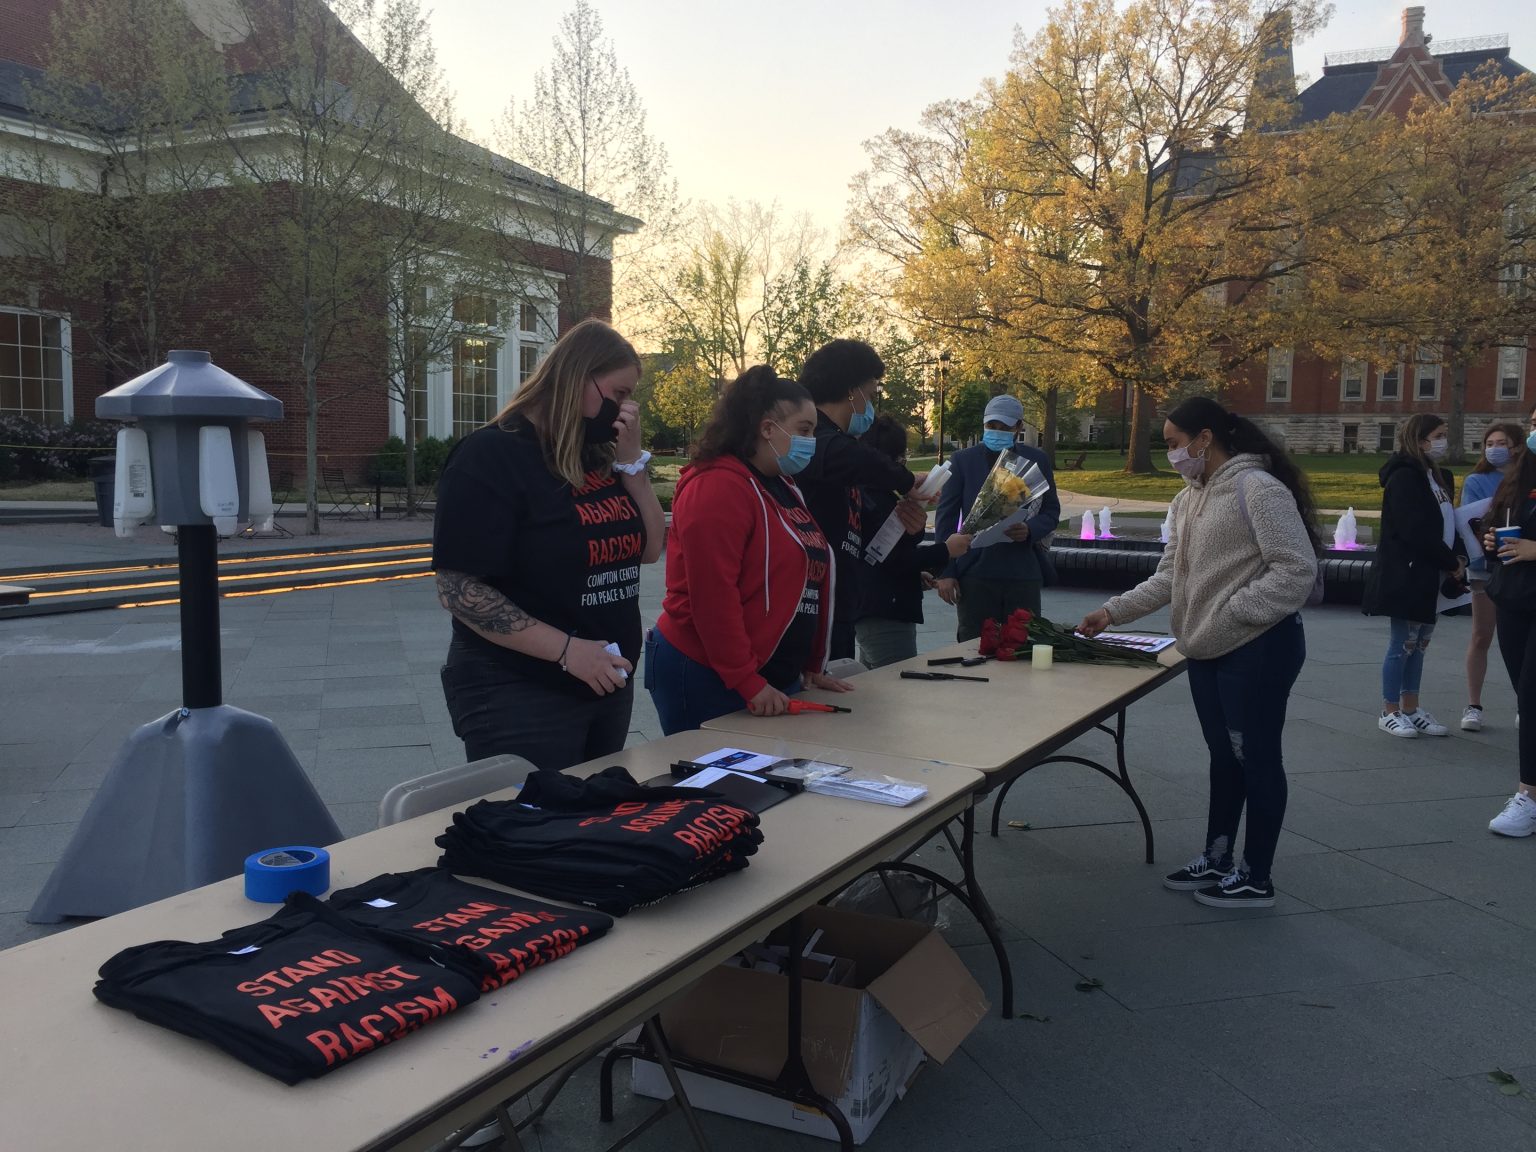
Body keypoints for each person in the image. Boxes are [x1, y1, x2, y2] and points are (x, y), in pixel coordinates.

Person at [1079, 397, 1318, 908]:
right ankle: (1218, 855)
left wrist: (1233, 611)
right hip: (1207, 649)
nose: (1171, 454)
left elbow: (1296, 569)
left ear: (1204, 438)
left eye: (1172, 444)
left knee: (1256, 759)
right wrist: (1113, 611)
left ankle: (1257, 877)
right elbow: (1170, 575)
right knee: (1224, 759)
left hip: (1258, 648)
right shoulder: (1188, 498)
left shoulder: (1258, 488)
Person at [431, 319, 665, 771]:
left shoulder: (594, 456)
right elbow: (458, 588)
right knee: (538, 828)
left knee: (596, 823)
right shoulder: (491, 455)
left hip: (605, 682)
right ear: (579, 374)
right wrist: (567, 650)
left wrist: (632, 465)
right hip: (519, 690)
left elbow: (651, 548)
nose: (624, 410)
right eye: (617, 394)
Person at [647, 366, 853, 734]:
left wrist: (809, 663)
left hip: (766, 674)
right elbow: (713, 597)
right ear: (767, 428)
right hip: (708, 673)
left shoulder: (781, 485)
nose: (813, 441)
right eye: (804, 431)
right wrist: (745, 679)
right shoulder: (717, 486)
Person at [794, 339, 926, 660]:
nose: (871, 405)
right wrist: (907, 480)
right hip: (812, 610)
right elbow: (845, 455)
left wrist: (909, 527)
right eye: (871, 394)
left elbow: (868, 538)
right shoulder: (819, 443)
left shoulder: (844, 452)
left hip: (842, 609)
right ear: (852, 392)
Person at [1363, 414, 1468, 739]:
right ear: (1421, 440)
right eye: (1438, 435)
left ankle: (1411, 706)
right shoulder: (1405, 477)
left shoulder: (1436, 476)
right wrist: (1449, 560)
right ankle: (1390, 709)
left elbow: (1447, 520)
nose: (1442, 441)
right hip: (1408, 571)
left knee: (1420, 643)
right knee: (1402, 643)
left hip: (1431, 572)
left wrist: (1458, 558)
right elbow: (1413, 529)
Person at [934, 394, 1061, 642]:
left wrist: (1030, 529)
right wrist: (946, 571)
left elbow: (1051, 511)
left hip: (1022, 573)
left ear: (1019, 427)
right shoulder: (963, 461)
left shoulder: (1037, 460)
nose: (997, 432)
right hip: (976, 573)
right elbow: (946, 519)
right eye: (992, 426)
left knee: (1023, 647)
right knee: (973, 648)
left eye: (1005, 427)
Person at [853, 414, 972, 668]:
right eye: (900, 461)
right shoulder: (875, 499)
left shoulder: (870, 494)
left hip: (876, 605)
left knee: (875, 689)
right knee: (896, 686)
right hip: (885, 610)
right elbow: (887, 558)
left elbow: (887, 555)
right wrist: (945, 550)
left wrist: (916, 573)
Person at [1480, 405, 1536, 836]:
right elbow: (1502, 522)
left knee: (1533, 698)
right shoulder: (1522, 475)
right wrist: (1491, 539)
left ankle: (1528, 796)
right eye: (1535, 423)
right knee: (1524, 690)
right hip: (1517, 596)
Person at [1460, 421, 1524, 731]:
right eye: (1490, 442)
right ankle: (1473, 705)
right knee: (1482, 634)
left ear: (1516, 447)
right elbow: (1471, 521)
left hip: (1520, 567)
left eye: (1502, 442)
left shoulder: (1527, 479)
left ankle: (1524, 702)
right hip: (1485, 568)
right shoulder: (1477, 480)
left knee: (1521, 641)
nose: (1495, 448)